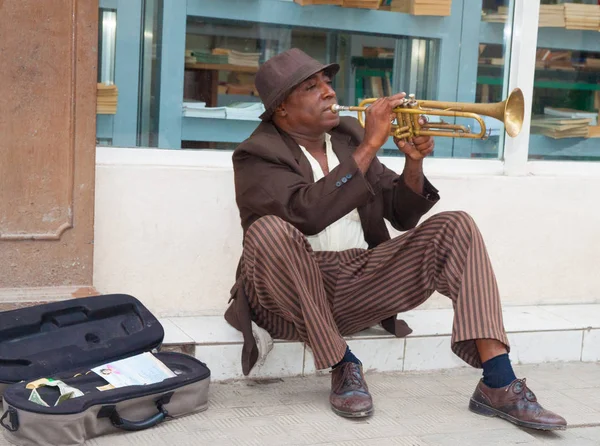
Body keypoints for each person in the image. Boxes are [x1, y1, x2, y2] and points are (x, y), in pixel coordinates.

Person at [224, 48, 566, 430]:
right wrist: (370, 147)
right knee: (268, 232)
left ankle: (499, 384)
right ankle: (344, 364)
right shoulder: (256, 154)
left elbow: (402, 215)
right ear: (282, 109)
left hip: (356, 282)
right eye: (311, 86)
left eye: (327, 82)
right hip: (288, 300)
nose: (329, 92)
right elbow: (307, 213)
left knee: (457, 224)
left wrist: (413, 163)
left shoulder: (347, 138)